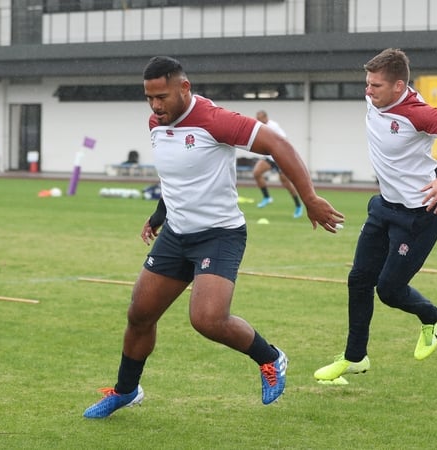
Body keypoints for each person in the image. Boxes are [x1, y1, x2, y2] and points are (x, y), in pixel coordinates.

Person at [83, 56, 344, 419]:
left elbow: (279, 146)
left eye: (162, 96)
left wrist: (311, 198)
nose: (156, 106)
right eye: (149, 98)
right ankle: (126, 390)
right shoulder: (156, 123)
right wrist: (160, 214)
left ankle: (270, 358)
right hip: (177, 234)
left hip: (219, 235)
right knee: (140, 315)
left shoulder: (215, 120)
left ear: (184, 88)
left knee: (207, 319)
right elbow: (176, 175)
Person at [313, 48, 437, 382]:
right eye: (367, 83)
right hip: (383, 207)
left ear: (398, 86)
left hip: (420, 215)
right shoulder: (375, 99)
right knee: (358, 280)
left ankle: (432, 316)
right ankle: (355, 357)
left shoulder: (416, 112)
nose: (368, 91)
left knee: (389, 290)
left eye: (375, 85)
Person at [252, 110, 304, 218]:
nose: (258, 120)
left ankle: (298, 205)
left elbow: (284, 140)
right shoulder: (259, 126)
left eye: (259, 118)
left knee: (285, 182)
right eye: (257, 118)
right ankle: (267, 197)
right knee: (256, 172)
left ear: (266, 117)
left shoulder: (273, 126)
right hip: (269, 157)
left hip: (279, 158)